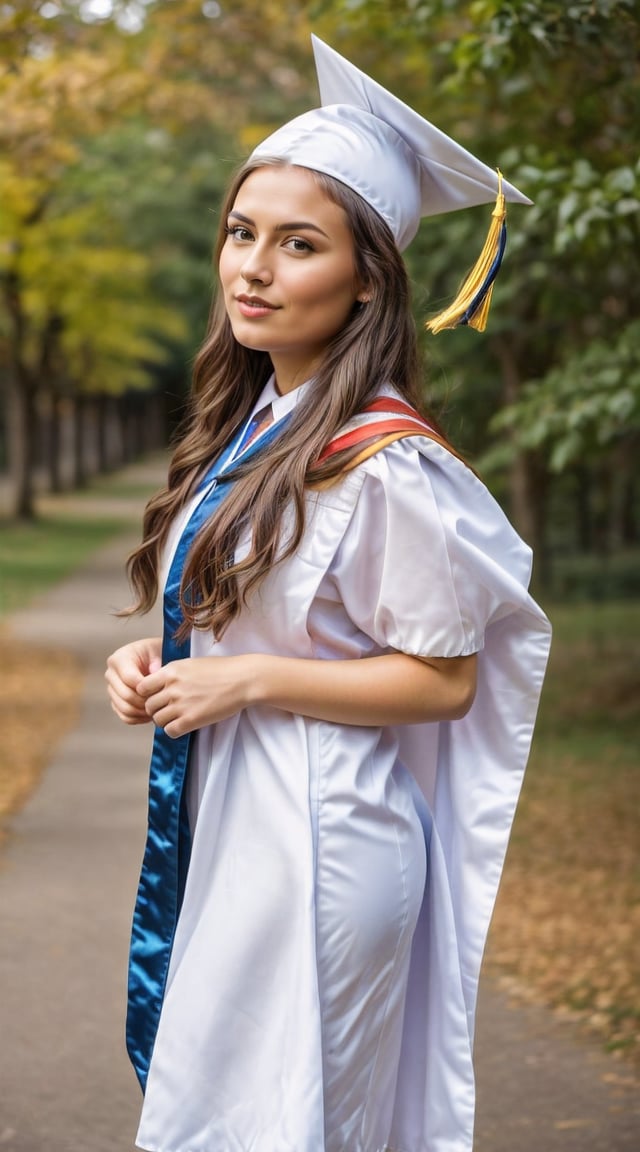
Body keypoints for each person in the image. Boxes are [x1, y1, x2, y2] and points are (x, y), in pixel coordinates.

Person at [105, 36, 551, 1152]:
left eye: (298, 244)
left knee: (287, 1125)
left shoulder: (385, 460)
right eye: (240, 233)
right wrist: (164, 667)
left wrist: (246, 679)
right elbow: (243, 619)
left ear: (366, 278)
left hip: (323, 837)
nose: (253, 267)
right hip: (241, 818)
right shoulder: (258, 426)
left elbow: (443, 680)